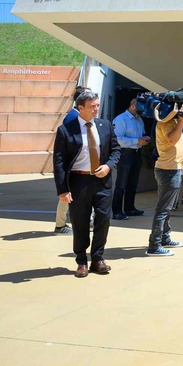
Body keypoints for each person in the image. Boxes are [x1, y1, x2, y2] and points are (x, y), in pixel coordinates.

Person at [53, 91, 121, 277]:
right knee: (80, 222)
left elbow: (115, 150)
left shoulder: (105, 126)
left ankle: (98, 259)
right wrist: (62, 190)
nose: (96, 109)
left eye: (97, 105)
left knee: (103, 220)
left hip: (102, 180)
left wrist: (108, 166)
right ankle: (81, 261)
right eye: (92, 106)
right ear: (80, 107)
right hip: (79, 181)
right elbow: (59, 162)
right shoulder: (66, 130)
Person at [146, 102, 183, 256]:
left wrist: (182, 164)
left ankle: (164, 238)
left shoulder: (171, 122)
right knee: (163, 209)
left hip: (172, 168)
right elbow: (172, 140)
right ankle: (154, 245)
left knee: (167, 207)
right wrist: (182, 121)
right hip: (168, 171)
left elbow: (174, 147)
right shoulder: (166, 123)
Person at [53, 86, 91, 235]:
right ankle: (60, 225)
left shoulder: (79, 115)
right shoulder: (72, 117)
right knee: (66, 196)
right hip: (73, 165)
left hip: (79, 164)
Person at [111, 98, 149, 220]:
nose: (142, 112)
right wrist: (136, 141)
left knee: (133, 183)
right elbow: (118, 139)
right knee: (121, 183)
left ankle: (130, 208)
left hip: (136, 153)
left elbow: (141, 134)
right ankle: (117, 211)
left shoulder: (139, 119)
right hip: (125, 153)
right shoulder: (121, 119)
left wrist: (144, 139)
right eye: (140, 109)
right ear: (133, 106)